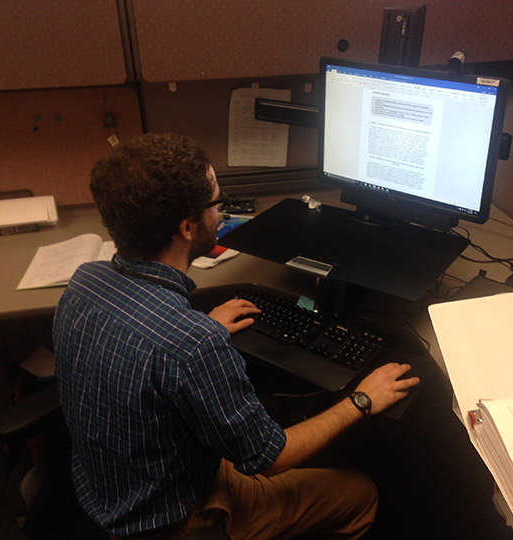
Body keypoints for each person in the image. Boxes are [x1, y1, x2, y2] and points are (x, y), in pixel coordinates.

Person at [53, 133, 420, 539]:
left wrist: (203, 327)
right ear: (189, 227)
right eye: (216, 202)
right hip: (173, 519)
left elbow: (147, 352)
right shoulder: (190, 344)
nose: (221, 210)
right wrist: (361, 400)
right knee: (361, 494)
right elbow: (270, 457)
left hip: (105, 491)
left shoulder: (83, 283)